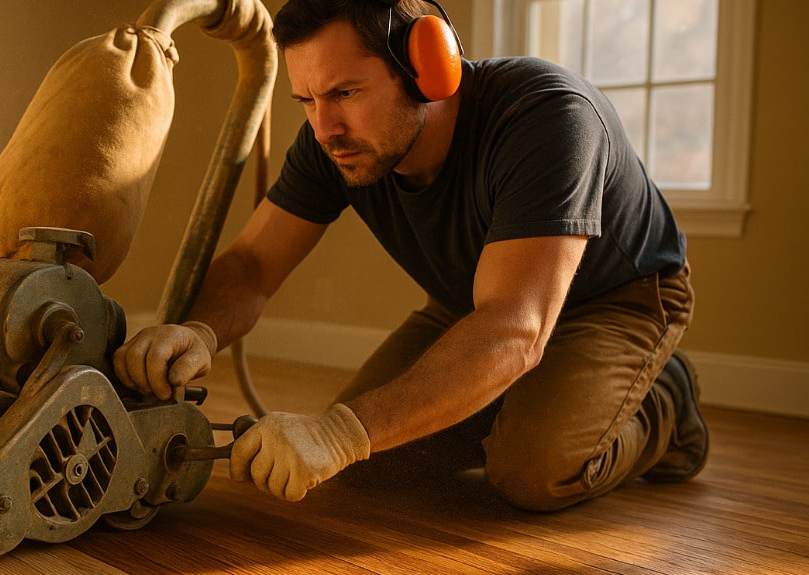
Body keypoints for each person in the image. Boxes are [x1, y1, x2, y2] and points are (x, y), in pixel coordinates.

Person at [113, 0, 708, 511]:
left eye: (346, 93)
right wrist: (198, 330)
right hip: (473, 304)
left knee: (530, 472)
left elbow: (515, 328)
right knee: (369, 468)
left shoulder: (548, 118)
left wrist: (345, 430)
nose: (325, 129)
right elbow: (253, 265)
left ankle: (666, 405)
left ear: (430, 68)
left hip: (615, 300)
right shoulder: (332, 142)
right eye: (307, 101)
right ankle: (519, 400)